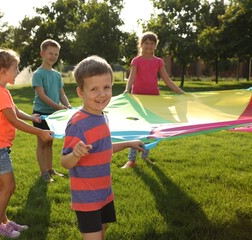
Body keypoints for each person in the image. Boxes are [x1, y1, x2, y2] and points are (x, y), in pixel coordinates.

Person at [61, 56, 146, 240]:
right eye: (93, 89)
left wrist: (127, 144)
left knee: (103, 228)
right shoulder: (78, 124)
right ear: (81, 92)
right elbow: (65, 162)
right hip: (87, 198)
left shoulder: (101, 116)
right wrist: (75, 154)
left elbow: (103, 148)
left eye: (106, 87)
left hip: (104, 192)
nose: (102, 94)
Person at [0, 49, 53, 238]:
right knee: (9, 187)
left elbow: (16, 111)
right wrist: (40, 132)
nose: (18, 71)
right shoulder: (0, 93)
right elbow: (14, 121)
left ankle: (3, 220)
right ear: (3, 70)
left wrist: (32, 117)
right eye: (16, 68)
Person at [122, 31, 185, 169]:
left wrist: (180, 92)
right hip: (137, 100)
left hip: (154, 100)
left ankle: (145, 156)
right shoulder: (136, 61)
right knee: (136, 129)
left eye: (152, 43)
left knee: (149, 130)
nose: (149, 45)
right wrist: (127, 90)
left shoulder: (158, 61)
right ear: (141, 44)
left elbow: (167, 80)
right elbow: (131, 78)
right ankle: (131, 160)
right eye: (146, 43)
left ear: (155, 46)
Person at [32, 39, 72, 182]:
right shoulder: (38, 74)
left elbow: (62, 94)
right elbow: (42, 96)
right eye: (50, 53)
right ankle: (43, 173)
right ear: (42, 53)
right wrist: (58, 107)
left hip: (54, 116)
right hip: (41, 115)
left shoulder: (56, 75)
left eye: (56, 54)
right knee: (42, 143)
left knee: (50, 142)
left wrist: (67, 105)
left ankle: (50, 169)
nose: (53, 56)